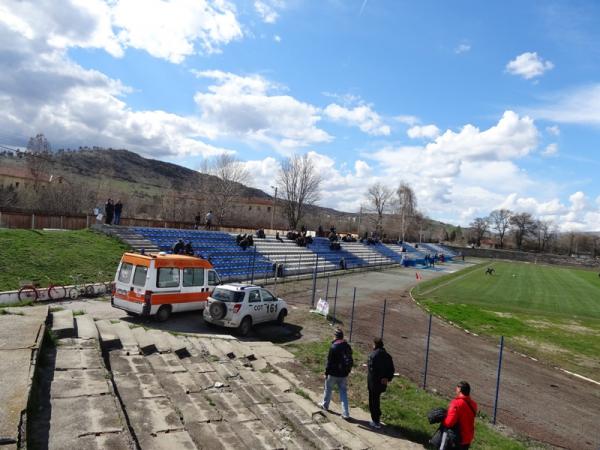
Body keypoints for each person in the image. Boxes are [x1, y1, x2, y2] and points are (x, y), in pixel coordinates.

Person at [319, 329, 353, 419]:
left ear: (335, 336)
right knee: (343, 393)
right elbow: (350, 360)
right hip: (344, 374)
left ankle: (325, 405)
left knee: (328, 389)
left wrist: (326, 373)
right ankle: (346, 413)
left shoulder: (333, 347)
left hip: (333, 373)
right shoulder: (347, 346)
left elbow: (329, 362)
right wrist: (348, 371)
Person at [367, 337, 395, 429]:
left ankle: (375, 421)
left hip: (373, 383)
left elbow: (372, 369)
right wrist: (387, 378)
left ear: (375, 344)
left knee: (373, 402)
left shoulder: (373, 355)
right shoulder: (387, 356)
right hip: (382, 383)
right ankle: (377, 419)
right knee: (377, 400)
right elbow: (391, 370)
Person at [442, 381, 478, 449]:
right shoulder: (474, 405)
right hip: (468, 438)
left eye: (457, 387)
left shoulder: (456, 403)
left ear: (460, 389)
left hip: (457, 438)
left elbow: (449, 423)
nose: (455, 389)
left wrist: (443, 420)